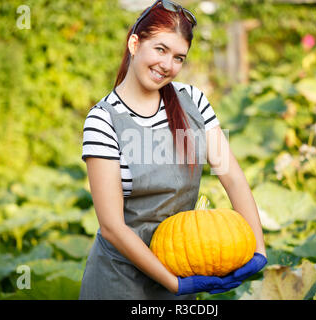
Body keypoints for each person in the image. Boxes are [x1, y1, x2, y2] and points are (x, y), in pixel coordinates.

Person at [79, 0, 267, 300]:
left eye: (179, 57)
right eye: (160, 49)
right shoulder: (103, 120)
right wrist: (174, 283)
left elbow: (231, 177)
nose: (168, 65)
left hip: (182, 265)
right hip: (121, 281)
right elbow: (112, 226)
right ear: (134, 43)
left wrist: (258, 249)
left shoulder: (192, 101)